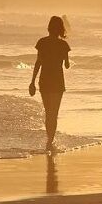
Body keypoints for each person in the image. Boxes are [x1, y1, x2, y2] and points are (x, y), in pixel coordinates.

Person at [29, 16, 71, 151]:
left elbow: (38, 62)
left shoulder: (42, 42)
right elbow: (67, 65)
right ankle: (50, 140)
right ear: (60, 29)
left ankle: (49, 139)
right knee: (55, 112)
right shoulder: (64, 45)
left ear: (49, 27)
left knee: (48, 112)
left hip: (45, 79)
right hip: (58, 80)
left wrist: (32, 82)